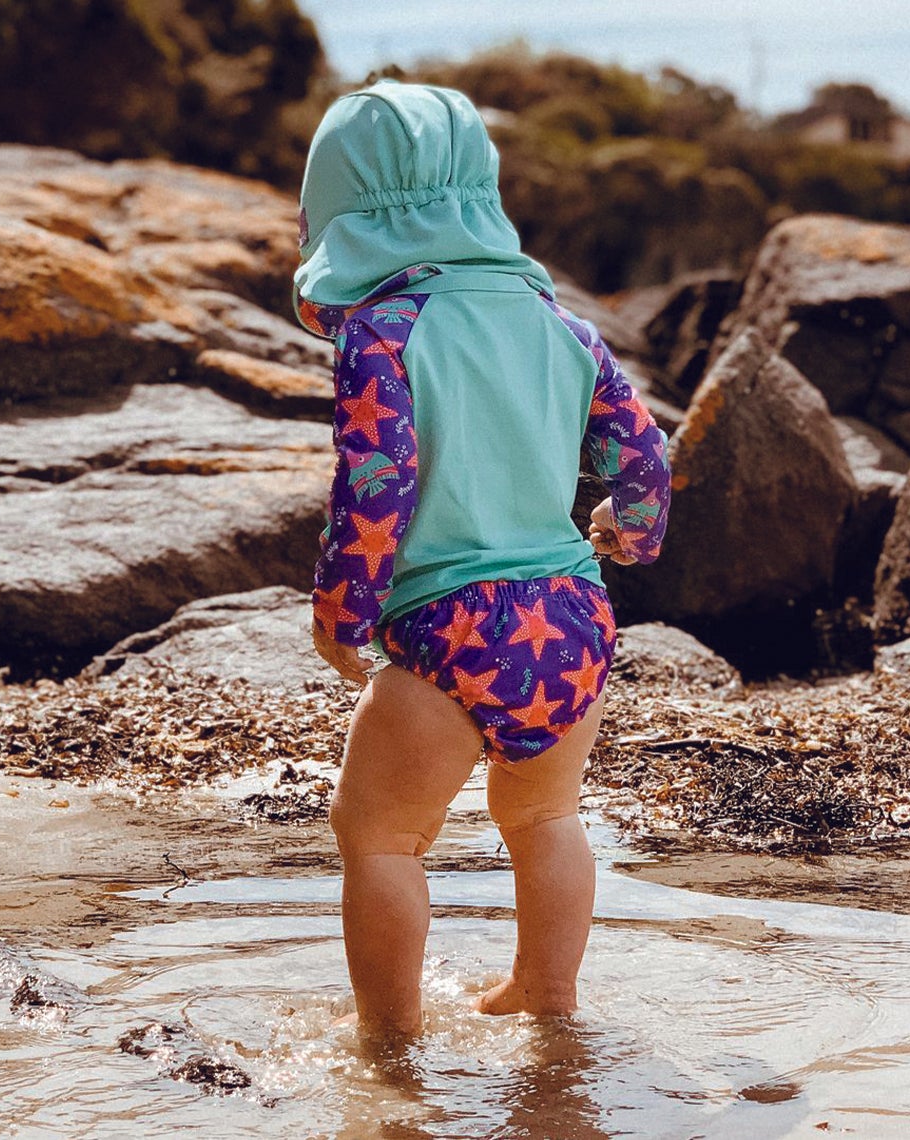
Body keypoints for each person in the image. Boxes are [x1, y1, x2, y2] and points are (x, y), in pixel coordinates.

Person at [293, 81, 672, 1037]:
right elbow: (642, 454)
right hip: (570, 618)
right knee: (545, 818)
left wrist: (343, 613)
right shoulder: (561, 325)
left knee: (379, 834)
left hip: (447, 623)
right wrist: (631, 532)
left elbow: (376, 487)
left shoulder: (384, 332)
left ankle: (389, 1041)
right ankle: (546, 998)